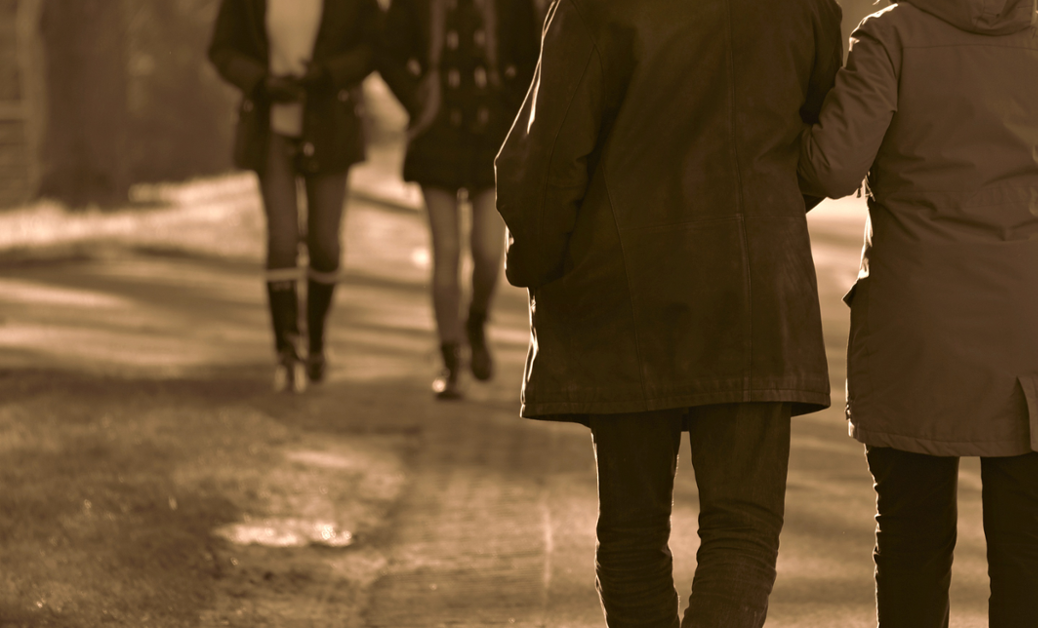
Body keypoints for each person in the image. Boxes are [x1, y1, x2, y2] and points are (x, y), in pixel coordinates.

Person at [494, 0, 842, 624]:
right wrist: (763, 219)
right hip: (756, 290)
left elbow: (546, 158)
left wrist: (538, 260)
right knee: (743, 531)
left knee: (632, 533)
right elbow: (818, 140)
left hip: (626, 285)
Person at [798, 0, 1038, 625]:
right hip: (1034, 331)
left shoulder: (890, 39)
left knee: (913, 536)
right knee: (1030, 545)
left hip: (918, 327)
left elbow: (832, 166)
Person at [209, 0, 381, 392]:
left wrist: (328, 75)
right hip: (270, 122)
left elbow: (373, 48)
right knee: (282, 239)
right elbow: (221, 49)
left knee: (324, 244)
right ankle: (287, 351)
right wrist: (260, 81)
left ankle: (316, 341)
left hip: (331, 123)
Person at [378, 0, 539, 400]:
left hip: (493, 133)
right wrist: (418, 102)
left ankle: (476, 323)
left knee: (487, 251)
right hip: (436, 131)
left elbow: (536, 54)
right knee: (445, 249)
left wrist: (515, 111)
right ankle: (451, 363)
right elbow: (387, 53)